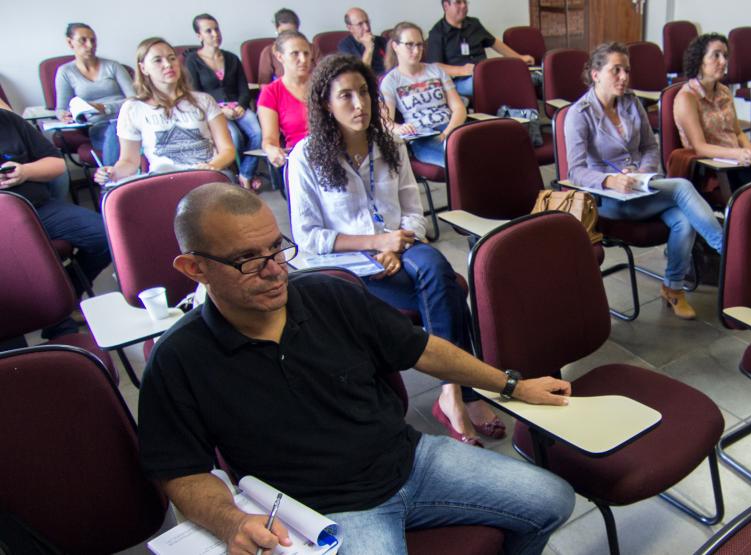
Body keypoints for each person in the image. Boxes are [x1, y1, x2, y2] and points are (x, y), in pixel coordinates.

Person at [138, 181, 576, 554]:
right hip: (326, 510)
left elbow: (424, 350)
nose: (275, 271)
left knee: (552, 498)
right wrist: (231, 521)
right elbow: (180, 470)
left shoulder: (330, 296)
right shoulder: (180, 358)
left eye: (277, 249)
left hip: (411, 460)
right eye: (249, 260)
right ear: (195, 269)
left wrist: (512, 386)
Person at [288, 54, 509, 445]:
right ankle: (463, 391)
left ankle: (450, 392)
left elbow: (412, 210)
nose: (359, 105)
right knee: (451, 290)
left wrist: (399, 241)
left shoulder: (389, 142)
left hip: (401, 249)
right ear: (325, 103)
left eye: (364, 93)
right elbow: (310, 237)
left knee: (435, 265)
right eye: (345, 97)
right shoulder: (305, 157)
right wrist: (378, 243)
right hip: (345, 266)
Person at [566, 43, 723, 320]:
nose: (624, 77)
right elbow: (576, 171)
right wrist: (610, 181)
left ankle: (673, 288)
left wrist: (642, 172)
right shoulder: (579, 114)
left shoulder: (631, 102)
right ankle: (729, 251)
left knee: (683, 220)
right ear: (595, 74)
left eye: (626, 70)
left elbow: (651, 147)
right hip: (610, 199)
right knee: (683, 187)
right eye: (616, 70)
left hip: (643, 187)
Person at [0, 109, 110, 337]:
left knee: (105, 235)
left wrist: (25, 172)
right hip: (5, 220)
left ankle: (66, 296)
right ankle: (59, 324)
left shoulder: (8, 120)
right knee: (24, 255)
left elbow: (56, 164)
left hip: (39, 208)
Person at [94, 37, 235, 186]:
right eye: (158, 60)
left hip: (207, 178)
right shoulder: (133, 108)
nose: (168, 64)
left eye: (172, 58)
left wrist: (212, 166)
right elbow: (129, 161)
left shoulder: (204, 100)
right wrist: (112, 172)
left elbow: (227, 149)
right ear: (143, 68)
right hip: (165, 181)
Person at [673, 33, 751, 193]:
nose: (723, 61)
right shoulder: (687, 97)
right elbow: (700, 147)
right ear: (700, 60)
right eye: (716, 55)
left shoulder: (724, 92)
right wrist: (736, 154)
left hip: (739, 161)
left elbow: (738, 133)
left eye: (725, 56)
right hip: (717, 168)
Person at [185, 14, 263, 190]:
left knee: (257, 131)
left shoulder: (231, 58)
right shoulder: (193, 61)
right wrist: (221, 109)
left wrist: (241, 106)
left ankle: (246, 173)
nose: (215, 34)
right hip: (213, 111)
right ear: (199, 36)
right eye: (209, 31)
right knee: (233, 137)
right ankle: (236, 176)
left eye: (217, 29)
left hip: (237, 106)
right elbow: (196, 94)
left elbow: (243, 88)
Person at [381, 21, 466, 168]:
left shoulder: (436, 71)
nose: (416, 50)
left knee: (482, 150)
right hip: (423, 136)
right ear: (395, 46)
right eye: (409, 44)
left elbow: (459, 108)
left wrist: (447, 133)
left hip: (450, 127)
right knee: (460, 160)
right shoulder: (391, 81)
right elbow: (385, 121)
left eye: (419, 45)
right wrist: (398, 128)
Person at [54, 23, 135, 166]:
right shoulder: (65, 72)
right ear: (70, 42)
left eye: (93, 40)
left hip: (127, 119)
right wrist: (64, 115)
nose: (90, 45)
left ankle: (111, 182)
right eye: (83, 40)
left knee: (119, 128)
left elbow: (135, 99)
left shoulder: (113, 66)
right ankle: (112, 182)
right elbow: (61, 108)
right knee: (114, 131)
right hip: (99, 126)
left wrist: (105, 107)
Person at [426, 0, 535, 97]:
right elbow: (435, 66)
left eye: (465, 2)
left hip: (485, 72)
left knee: (509, 73)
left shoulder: (474, 24)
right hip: (461, 80)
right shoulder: (437, 33)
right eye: (458, 2)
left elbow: (494, 43)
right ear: (446, 6)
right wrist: (461, 70)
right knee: (490, 83)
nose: (464, 6)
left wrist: (519, 57)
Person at [256, 30, 313, 177]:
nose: (303, 59)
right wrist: (270, 149)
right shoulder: (271, 93)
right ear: (280, 57)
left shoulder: (324, 84)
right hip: (300, 160)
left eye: (306, 53)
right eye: (295, 54)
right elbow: (269, 139)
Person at [257, 8, 308, 85]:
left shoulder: (310, 48)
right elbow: (264, 85)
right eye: (283, 32)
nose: (287, 36)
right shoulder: (269, 52)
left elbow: (325, 74)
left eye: (292, 32)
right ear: (276, 30)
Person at [339, 8, 388, 76]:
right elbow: (360, 74)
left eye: (367, 22)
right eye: (360, 24)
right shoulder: (345, 46)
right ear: (350, 28)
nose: (367, 28)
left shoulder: (382, 41)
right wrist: (369, 48)